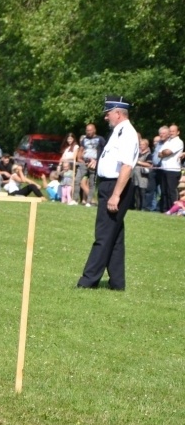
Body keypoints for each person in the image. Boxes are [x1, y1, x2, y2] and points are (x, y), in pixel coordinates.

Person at [77, 96, 139, 291]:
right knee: (114, 236)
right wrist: (99, 164)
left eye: (108, 113)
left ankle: (88, 281)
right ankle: (117, 283)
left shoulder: (127, 133)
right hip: (109, 184)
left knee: (103, 235)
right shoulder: (119, 131)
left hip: (116, 186)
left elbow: (127, 167)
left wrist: (116, 195)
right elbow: (116, 161)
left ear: (118, 113)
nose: (105, 117)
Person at [75, 123, 106, 206]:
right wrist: (79, 159)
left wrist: (97, 161)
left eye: (90, 130)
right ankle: (75, 200)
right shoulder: (84, 140)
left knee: (92, 183)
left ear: (94, 130)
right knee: (77, 180)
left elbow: (105, 151)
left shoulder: (100, 139)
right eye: (87, 130)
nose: (88, 132)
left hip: (94, 163)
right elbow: (81, 150)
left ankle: (89, 201)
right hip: (84, 162)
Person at [158, 123, 183, 213]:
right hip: (164, 169)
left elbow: (167, 152)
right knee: (164, 191)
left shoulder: (178, 142)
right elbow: (159, 154)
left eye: (173, 131)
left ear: (178, 132)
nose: (171, 133)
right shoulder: (168, 141)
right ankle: (165, 209)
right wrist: (164, 152)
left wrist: (164, 152)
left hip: (173, 170)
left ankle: (174, 210)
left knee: (172, 191)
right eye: (170, 131)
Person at [145, 129, 167, 211]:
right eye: (160, 133)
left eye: (163, 133)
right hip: (154, 168)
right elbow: (155, 155)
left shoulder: (169, 143)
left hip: (162, 169)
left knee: (162, 191)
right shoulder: (159, 143)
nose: (161, 135)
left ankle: (160, 208)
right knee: (150, 189)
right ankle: (148, 207)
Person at [132, 137, 153, 210]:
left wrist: (138, 162)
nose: (141, 146)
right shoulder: (138, 154)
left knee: (142, 192)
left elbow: (149, 164)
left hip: (143, 176)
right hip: (135, 176)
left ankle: (143, 207)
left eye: (142, 144)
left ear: (146, 145)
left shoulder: (148, 154)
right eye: (140, 144)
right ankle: (137, 207)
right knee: (136, 192)